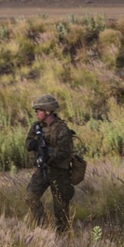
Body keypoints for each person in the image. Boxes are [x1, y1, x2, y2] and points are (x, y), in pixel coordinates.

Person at [25, 94, 75, 233]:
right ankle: (43, 229)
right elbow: (28, 143)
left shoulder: (61, 129)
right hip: (42, 170)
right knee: (30, 197)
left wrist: (50, 157)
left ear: (47, 111)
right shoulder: (36, 127)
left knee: (61, 210)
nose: (36, 113)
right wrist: (34, 145)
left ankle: (63, 237)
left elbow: (65, 152)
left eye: (39, 110)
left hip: (59, 172)